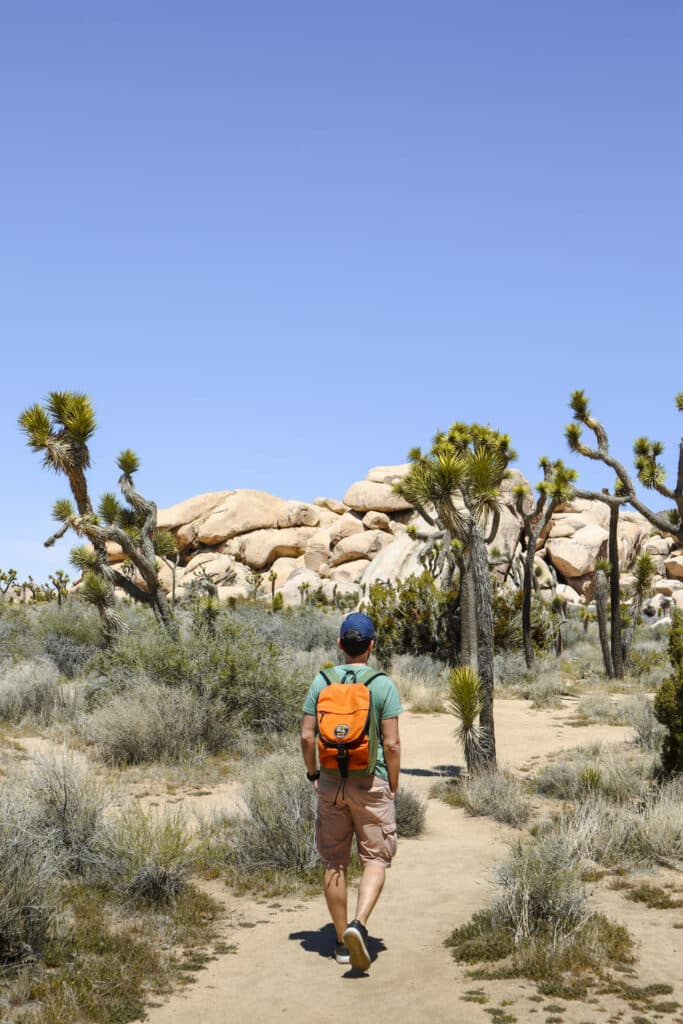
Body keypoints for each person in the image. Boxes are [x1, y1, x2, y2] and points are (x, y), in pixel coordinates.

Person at [300, 612, 403, 971]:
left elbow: (306, 735)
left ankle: (343, 942)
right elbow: (391, 744)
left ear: (341, 644)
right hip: (369, 782)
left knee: (334, 861)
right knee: (375, 858)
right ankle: (359, 923)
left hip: (330, 783)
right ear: (372, 646)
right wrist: (392, 783)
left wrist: (314, 773)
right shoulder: (382, 684)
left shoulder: (322, 681)